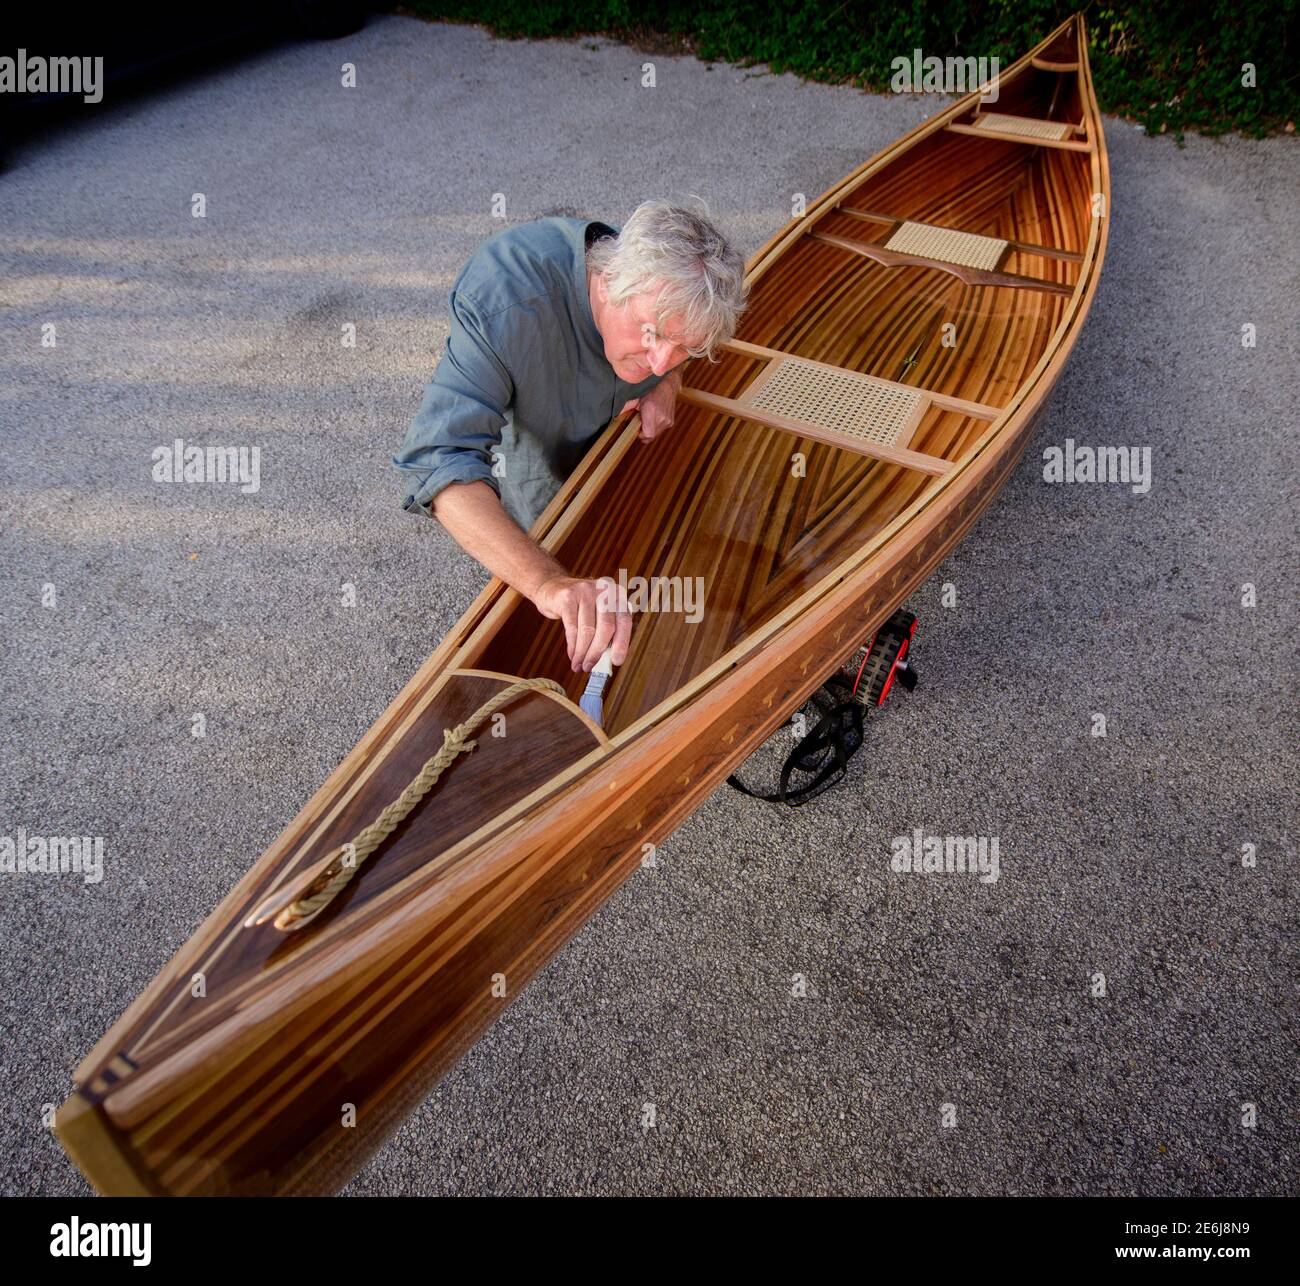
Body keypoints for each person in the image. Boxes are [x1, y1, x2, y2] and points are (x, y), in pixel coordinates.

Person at [393, 199, 747, 674]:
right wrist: (546, 584)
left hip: (618, 447)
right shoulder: (503, 298)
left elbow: (669, 353)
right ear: (609, 283)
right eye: (650, 333)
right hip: (540, 467)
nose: (661, 358)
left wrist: (667, 384)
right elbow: (440, 460)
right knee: (544, 533)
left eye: (683, 348)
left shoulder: (660, 281)